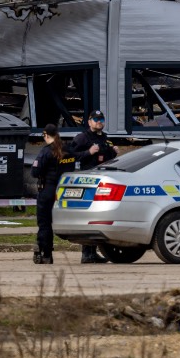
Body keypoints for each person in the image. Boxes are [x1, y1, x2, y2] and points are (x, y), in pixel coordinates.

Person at [69, 110, 118, 264]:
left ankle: (92, 252)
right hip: (87, 181)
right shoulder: (82, 138)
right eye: (96, 119)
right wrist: (88, 152)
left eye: (101, 119)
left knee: (97, 218)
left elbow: (105, 159)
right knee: (88, 216)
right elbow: (70, 156)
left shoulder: (104, 138)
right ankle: (86, 253)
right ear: (89, 121)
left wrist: (113, 153)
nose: (99, 122)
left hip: (101, 181)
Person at [30, 124, 74, 264]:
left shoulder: (46, 151)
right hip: (64, 190)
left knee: (44, 223)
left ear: (46, 135)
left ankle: (46, 253)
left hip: (48, 190)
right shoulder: (68, 150)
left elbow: (35, 172)